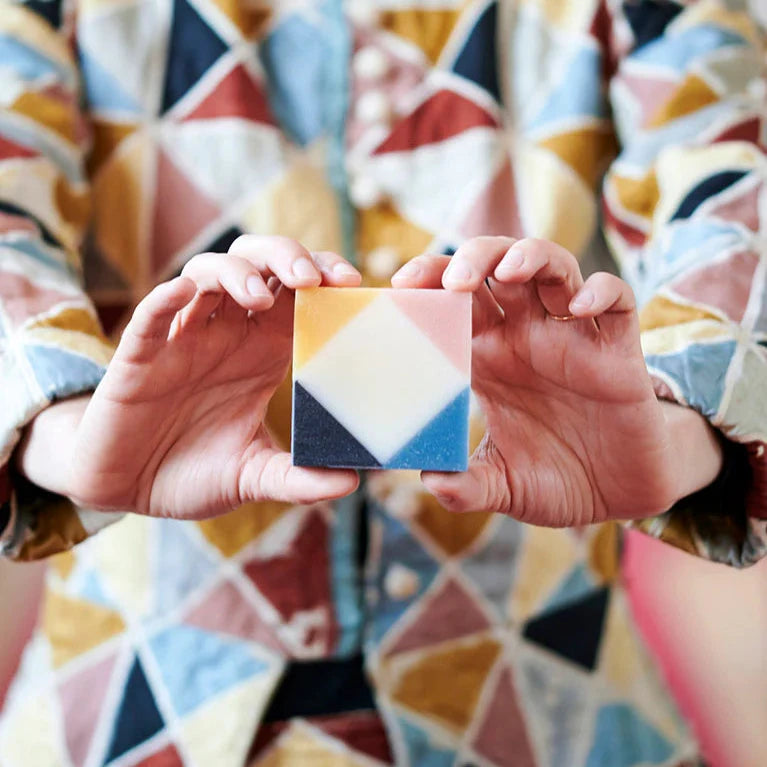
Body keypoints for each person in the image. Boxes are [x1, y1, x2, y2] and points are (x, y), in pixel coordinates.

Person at [0, 0, 765, 765]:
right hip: (122, 713)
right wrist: (67, 440)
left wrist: (677, 438)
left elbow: (731, 174)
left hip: (556, 712)